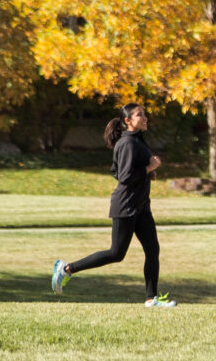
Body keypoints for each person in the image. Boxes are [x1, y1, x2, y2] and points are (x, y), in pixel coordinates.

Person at [52, 103, 173, 306]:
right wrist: (148, 168)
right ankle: (67, 269)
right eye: (140, 115)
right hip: (126, 205)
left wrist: (148, 171)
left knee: (152, 250)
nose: (145, 118)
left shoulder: (137, 140)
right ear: (128, 121)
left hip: (141, 206)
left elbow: (116, 170)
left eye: (144, 114)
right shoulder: (127, 143)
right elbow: (124, 177)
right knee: (116, 253)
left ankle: (151, 299)